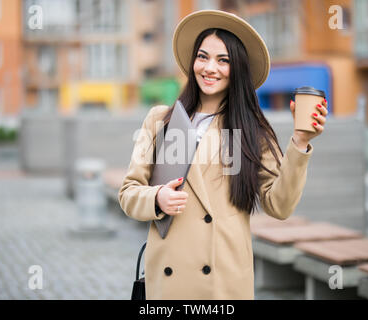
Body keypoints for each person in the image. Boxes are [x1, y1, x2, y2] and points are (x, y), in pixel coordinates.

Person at [119, 10, 327, 300]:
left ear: (237, 68)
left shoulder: (251, 130)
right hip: (168, 282)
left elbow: (279, 206)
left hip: (224, 282)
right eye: (202, 57)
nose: (209, 68)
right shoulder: (160, 121)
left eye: (223, 60)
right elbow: (128, 193)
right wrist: (156, 199)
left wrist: (301, 142)